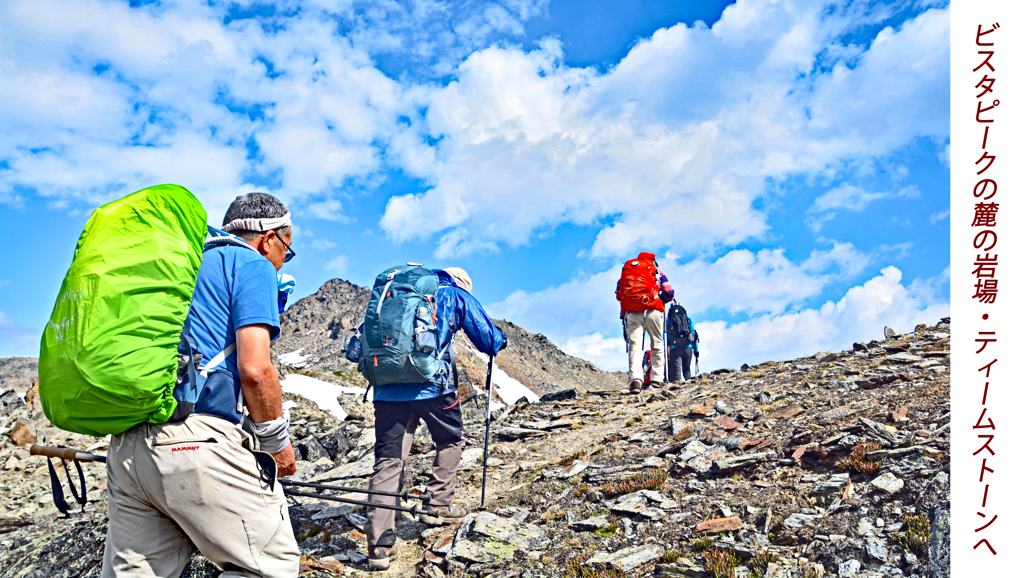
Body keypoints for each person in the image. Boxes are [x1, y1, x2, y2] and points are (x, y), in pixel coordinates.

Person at [102, 192, 301, 578]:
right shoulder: (249, 263)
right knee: (268, 566)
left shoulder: (176, 265)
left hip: (127, 447)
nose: (281, 261)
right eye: (286, 251)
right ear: (269, 238)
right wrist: (276, 445)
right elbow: (256, 369)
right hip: (194, 437)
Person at [365, 266, 505, 571]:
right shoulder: (455, 295)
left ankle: (378, 544)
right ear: (462, 285)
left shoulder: (401, 292)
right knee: (450, 439)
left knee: (389, 459)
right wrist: (500, 340)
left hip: (387, 388)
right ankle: (436, 505)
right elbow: (488, 340)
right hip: (433, 387)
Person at [617, 253, 674, 393]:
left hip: (632, 312)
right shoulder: (657, 272)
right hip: (653, 310)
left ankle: (635, 381)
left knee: (635, 347)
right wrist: (661, 300)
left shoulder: (628, 270)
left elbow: (619, 294)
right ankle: (657, 379)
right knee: (657, 343)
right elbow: (669, 292)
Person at [666, 302, 699, 382]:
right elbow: (693, 334)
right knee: (687, 370)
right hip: (688, 347)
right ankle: (690, 387)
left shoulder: (668, 320)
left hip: (675, 347)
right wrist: (696, 350)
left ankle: (677, 389)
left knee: (676, 372)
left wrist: (666, 350)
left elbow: (665, 335)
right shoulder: (688, 319)